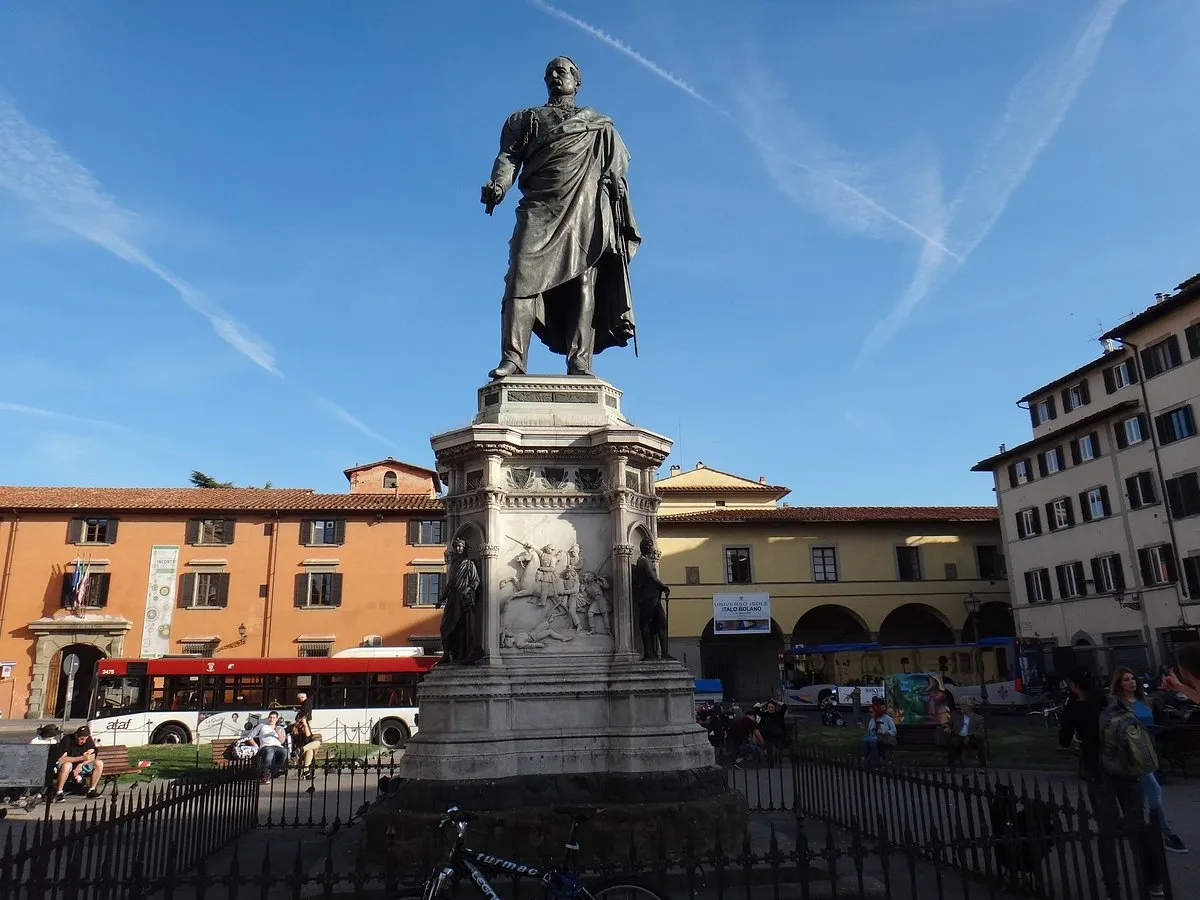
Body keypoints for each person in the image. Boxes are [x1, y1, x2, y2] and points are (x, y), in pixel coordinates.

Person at [482, 56, 639, 380]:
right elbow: (509, 156)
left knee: (583, 281)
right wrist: (498, 185)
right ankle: (513, 360)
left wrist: (615, 181)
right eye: (550, 72)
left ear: (576, 81)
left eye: (563, 71)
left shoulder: (599, 125)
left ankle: (579, 362)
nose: (556, 76)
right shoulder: (527, 119)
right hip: (539, 206)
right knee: (520, 278)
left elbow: (618, 164)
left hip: (583, 206)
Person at [1061, 666, 1164, 899]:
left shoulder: (1073, 707)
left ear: (1072, 685)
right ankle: (1154, 881)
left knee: (1107, 832)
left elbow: (1065, 738)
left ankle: (1113, 888)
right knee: (1137, 824)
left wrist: (1078, 741)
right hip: (1126, 769)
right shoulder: (1109, 701)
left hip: (1098, 772)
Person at [1111, 666, 1186, 854]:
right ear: (1119, 684)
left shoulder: (1143, 701)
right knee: (1154, 790)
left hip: (1148, 753)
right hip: (1132, 756)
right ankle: (1166, 833)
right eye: (1126, 680)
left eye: (1133, 679)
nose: (1131, 682)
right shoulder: (1117, 705)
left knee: (1140, 798)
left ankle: (1137, 830)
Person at [437, 537, 483, 664]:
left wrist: (467, 589)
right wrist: (441, 599)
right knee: (444, 627)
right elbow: (450, 584)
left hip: (464, 600)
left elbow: (476, 581)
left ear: (465, 548)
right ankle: (446, 654)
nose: (458, 548)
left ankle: (465, 653)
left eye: (460, 546)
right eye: (456, 546)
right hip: (453, 598)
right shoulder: (453, 565)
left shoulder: (469, 564)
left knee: (464, 628)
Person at [631, 537, 669, 660]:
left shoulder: (647, 560)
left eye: (651, 545)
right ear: (642, 547)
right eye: (648, 545)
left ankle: (663, 653)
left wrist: (661, 588)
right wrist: (663, 586)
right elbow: (652, 577)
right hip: (647, 599)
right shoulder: (642, 561)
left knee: (661, 624)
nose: (650, 547)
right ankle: (648, 653)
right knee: (646, 624)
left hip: (654, 598)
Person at [52, 725, 103, 801]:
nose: (84, 742)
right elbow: (61, 759)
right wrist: (80, 758)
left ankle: (91, 790)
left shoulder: (88, 740)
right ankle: (59, 792)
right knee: (67, 765)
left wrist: (80, 764)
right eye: (81, 739)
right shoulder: (67, 740)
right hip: (68, 764)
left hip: (81, 765)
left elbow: (92, 756)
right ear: (76, 735)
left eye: (85, 739)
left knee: (99, 763)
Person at [245, 711, 288, 783]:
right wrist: (255, 745)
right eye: (270, 717)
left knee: (285, 752)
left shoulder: (280, 728)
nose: (272, 719)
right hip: (266, 746)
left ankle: (271, 773)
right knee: (270, 751)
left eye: (274, 718)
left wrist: (278, 732)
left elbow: (282, 741)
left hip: (278, 747)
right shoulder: (262, 726)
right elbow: (249, 737)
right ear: (268, 718)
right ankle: (266, 773)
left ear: (277, 719)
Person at [944, 697, 988, 768]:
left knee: (980, 740)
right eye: (960, 705)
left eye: (962, 705)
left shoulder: (978, 718)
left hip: (972, 737)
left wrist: (969, 736)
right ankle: (950, 766)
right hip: (959, 736)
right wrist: (948, 727)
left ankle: (982, 766)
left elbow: (980, 732)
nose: (960, 707)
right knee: (953, 742)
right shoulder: (956, 715)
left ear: (969, 707)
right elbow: (949, 723)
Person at [862, 700, 896, 764]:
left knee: (871, 740)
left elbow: (894, 730)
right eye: (869, 712)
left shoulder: (887, 718)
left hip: (884, 738)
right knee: (866, 739)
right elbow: (870, 731)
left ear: (876, 711)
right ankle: (867, 757)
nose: (869, 714)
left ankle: (874, 760)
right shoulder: (872, 720)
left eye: (871, 712)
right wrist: (865, 730)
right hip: (875, 737)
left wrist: (884, 732)